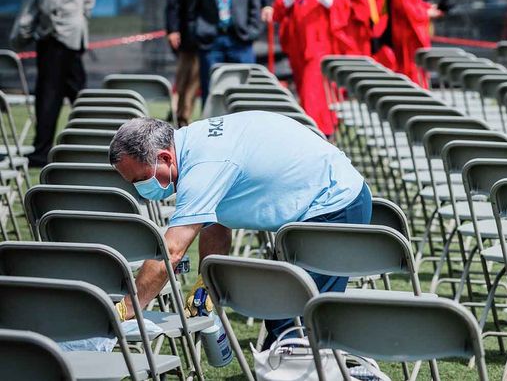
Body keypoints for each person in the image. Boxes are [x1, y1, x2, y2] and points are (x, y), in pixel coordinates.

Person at [107, 113, 371, 346]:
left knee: (298, 322)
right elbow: (215, 222)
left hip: (335, 206)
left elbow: (170, 252)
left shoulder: (203, 167)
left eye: (141, 179)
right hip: (316, 206)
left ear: (164, 157)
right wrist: (205, 282)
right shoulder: (190, 145)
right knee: (285, 317)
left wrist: (126, 310)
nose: (140, 189)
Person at [26, 0, 95, 167]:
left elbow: (48, 2)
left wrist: (45, 29)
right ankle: (91, 143)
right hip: (75, 32)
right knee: (79, 92)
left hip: (55, 36)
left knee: (49, 94)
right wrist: (78, 19)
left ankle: (41, 150)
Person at [272, 0, 351, 135]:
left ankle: (319, 133)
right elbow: (280, 8)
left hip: (322, 42)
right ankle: (315, 131)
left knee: (314, 91)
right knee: (304, 88)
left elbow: (341, 8)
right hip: (298, 42)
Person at [165, 0, 211, 126]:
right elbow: (173, 1)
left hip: (216, 36)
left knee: (209, 82)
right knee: (186, 81)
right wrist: (173, 28)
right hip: (191, 36)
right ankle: (182, 121)